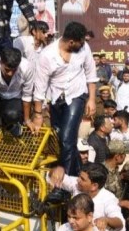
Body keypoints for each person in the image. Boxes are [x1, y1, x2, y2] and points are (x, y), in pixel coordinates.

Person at [34, 22, 98, 180]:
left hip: (77, 95)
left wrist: (91, 99)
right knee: (59, 139)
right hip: (56, 99)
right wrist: (38, 113)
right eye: (80, 42)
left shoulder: (84, 49)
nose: (83, 44)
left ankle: (65, 181)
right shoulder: (47, 56)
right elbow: (40, 88)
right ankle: (79, 174)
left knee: (66, 138)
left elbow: (91, 74)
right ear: (71, 42)